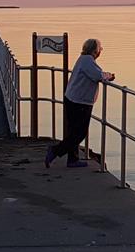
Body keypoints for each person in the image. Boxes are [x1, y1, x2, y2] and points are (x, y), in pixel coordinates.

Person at [45, 38, 115, 168]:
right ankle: (55, 151)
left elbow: (96, 73)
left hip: (73, 98)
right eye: (100, 49)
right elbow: (98, 75)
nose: (100, 51)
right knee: (80, 133)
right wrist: (109, 76)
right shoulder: (88, 60)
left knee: (73, 131)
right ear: (95, 51)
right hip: (79, 101)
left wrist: (105, 75)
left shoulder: (84, 59)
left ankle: (72, 159)